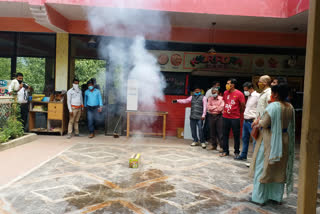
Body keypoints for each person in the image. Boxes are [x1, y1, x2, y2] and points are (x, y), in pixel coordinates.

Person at [249, 83, 295, 205]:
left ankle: (259, 197)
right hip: (284, 139)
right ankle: (276, 197)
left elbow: (264, 124)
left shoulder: (273, 106)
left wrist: (256, 122)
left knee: (263, 167)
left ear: (275, 94)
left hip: (269, 140)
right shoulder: (290, 106)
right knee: (278, 169)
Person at [220, 78, 245, 158]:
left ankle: (236, 152)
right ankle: (225, 151)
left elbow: (242, 105)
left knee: (236, 135)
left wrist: (237, 112)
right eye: (227, 83)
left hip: (235, 118)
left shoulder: (239, 93)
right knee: (225, 134)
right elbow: (225, 102)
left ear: (233, 85)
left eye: (228, 83)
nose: (227, 85)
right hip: (225, 116)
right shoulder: (225, 92)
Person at [235, 82, 259, 161]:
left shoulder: (257, 96)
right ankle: (243, 155)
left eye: (246, 90)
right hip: (245, 121)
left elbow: (260, 110)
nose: (245, 91)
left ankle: (255, 159)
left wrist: (257, 120)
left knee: (255, 141)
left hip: (252, 121)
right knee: (244, 139)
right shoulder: (249, 96)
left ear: (251, 88)